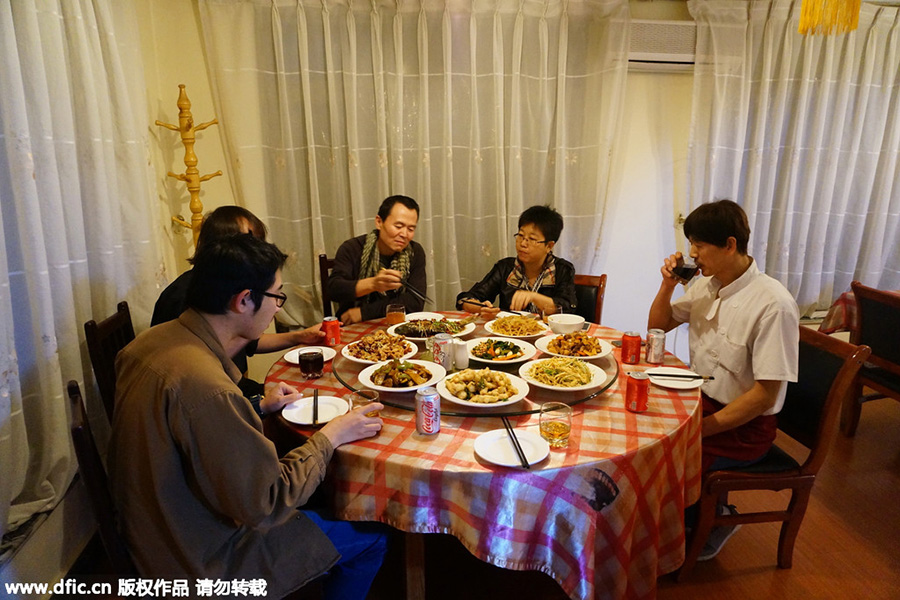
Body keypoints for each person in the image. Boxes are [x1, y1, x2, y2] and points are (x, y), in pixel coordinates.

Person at [108, 234, 388, 599]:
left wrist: (255, 407)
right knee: (373, 536)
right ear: (244, 300)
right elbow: (268, 503)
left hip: (150, 530)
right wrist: (331, 435)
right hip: (200, 560)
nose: (277, 309)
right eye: (277, 297)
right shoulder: (210, 389)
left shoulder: (147, 342)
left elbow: (185, 431)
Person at [647, 199, 799, 561]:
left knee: (668, 452)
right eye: (692, 244)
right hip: (703, 399)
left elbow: (764, 396)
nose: (692, 254)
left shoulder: (772, 304)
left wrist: (699, 430)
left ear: (730, 245)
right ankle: (676, 521)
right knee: (645, 423)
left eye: (699, 245)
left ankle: (710, 522)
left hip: (746, 427)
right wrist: (668, 285)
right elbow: (658, 326)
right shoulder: (706, 284)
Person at [152, 205, 323, 397]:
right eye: (251, 243)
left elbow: (249, 343)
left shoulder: (229, 301)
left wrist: (300, 336)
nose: (260, 251)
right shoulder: (185, 301)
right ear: (226, 248)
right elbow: (209, 389)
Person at [456, 205, 577, 318]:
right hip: (509, 335)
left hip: (548, 337)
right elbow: (465, 299)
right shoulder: (505, 267)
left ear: (549, 246)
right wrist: (480, 309)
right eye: (520, 236)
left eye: (532, 239)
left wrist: (534, 297)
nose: (523, 243)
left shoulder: (562, 269)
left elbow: (568, 308)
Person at [326, 195, 426, 325]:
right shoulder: (352, 248)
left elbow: (415, 302)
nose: (404, 234)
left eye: (411, 229)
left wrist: (364, 312)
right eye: (398, 226)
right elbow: (334, 290)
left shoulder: (415, 251)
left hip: (398, 326)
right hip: (352, 325)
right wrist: (373, 284)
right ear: (379, 222)